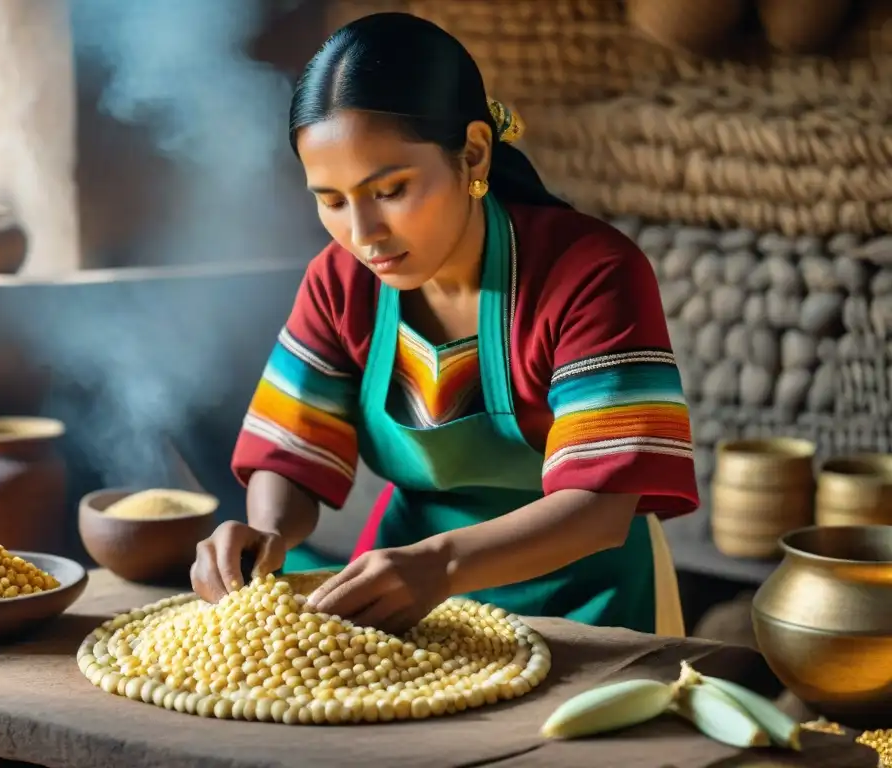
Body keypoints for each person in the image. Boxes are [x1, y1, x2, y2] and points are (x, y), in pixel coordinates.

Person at [190, 11, 698, 635]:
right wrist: (265, 532)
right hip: (408, 601)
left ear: (475, 153)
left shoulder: (590, 275)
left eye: (391, 189)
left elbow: (601, 508)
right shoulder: (340, 282)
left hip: (590, 607)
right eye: (331, 200)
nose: (362, 233)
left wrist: (443, 565)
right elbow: (291, 453)